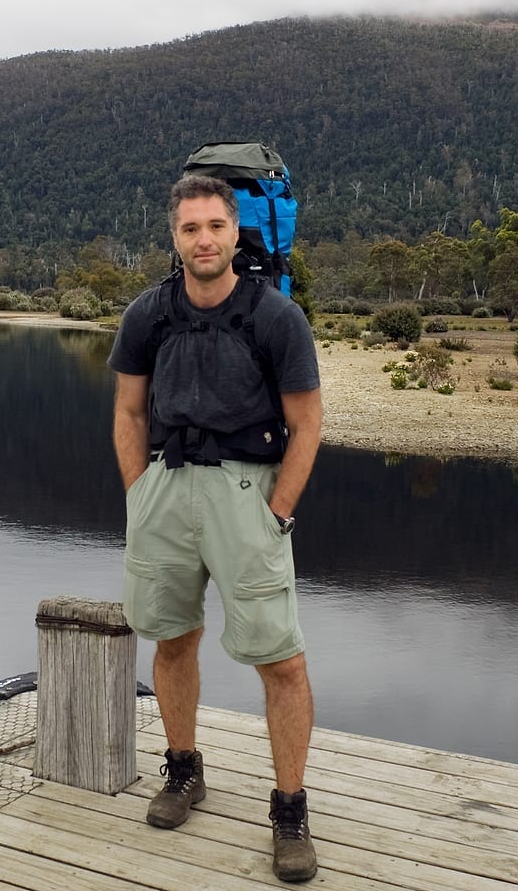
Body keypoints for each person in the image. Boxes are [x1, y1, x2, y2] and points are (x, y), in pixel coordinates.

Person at [108, 173, 324, 883]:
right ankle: (183, 772)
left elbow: (307, 424)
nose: (203, 239)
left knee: (281, 660)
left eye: (214, 226)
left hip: (247, 492)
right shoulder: (149, 314)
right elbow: (131, 413)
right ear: (174, 238)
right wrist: (141, 495)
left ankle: (289, 810)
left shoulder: (274, 318)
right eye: (189, 228)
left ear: (236, 233)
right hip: (167, 489)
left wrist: (277, 512)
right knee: (171, 637)